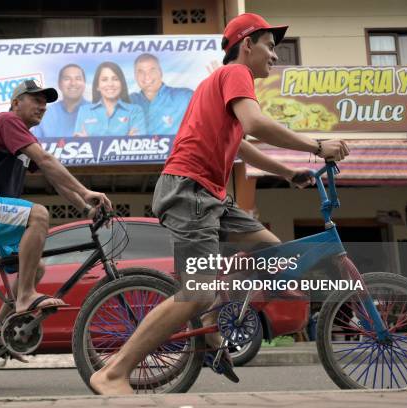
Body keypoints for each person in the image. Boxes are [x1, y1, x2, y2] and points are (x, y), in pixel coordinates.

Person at [90, 13, 350, 395]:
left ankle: (211, 327)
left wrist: (288, 173)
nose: (275, 57)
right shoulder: (235, 74)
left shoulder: (217, 85)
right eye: (270, 47)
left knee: (268, 249)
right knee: (199, 290)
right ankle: (113, 373)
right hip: (189, 191)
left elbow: (242, 144)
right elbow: (256, 123)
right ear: (247, 45)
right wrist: (316, 146)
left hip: (211, 196)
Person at [0, 79, 112, 323]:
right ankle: (25, 297)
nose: (42, 107)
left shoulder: (19, 136)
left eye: (45, 103)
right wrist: (86, 191)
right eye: (36, 100)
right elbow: (45, 160)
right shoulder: (6, 121)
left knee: (35, 269)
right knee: (39, 214)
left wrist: (85, 209)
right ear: (15, 103)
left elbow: (54, 178)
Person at [74, 61, 146, 137]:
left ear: (122, 84)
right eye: (104, 80)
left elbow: (137, 145)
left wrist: (90, 141)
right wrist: (126, 139)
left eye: (115, 79)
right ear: (97, 86)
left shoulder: (135, 111)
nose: (110, 84)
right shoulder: (84, 111)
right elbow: (79, 145)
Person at [129, 53, 193, 135]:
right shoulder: (128, 102)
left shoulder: (184, 97)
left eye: (152, 70)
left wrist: (214, 87)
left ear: (160, 73)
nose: (147, 76)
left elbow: (208, 113)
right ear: (135, 76)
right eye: (141, 72)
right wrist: (124, 138)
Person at [31, 64, 88, 138]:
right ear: (59, 84)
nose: (73, 83)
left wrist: (90, 141)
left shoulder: (99, 112)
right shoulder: (45, 113)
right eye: (67, 79)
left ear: (84, 83)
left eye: (78, 79)